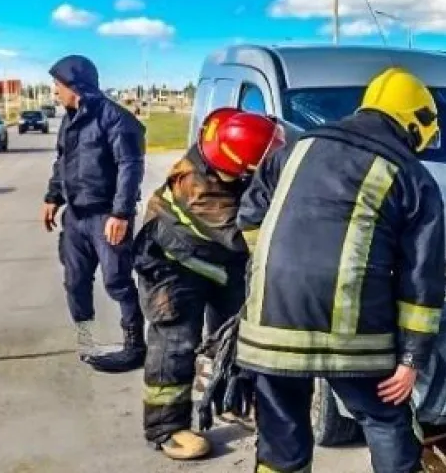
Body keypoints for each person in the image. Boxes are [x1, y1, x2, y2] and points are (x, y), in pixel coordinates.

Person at [235, 66, 446, 473]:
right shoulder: (412, 176)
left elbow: (250, 216)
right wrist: (411, 359)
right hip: (353, 335)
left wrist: (272, 273)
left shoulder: (296, 149)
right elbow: (420, 280)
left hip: (270, 324)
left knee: (281, 440)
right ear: (415, 122)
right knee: (387, 420)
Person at [134, 108, 285, 460]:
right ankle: (166, 428)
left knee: (236, 332)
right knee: (175, 341)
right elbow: (246, 237)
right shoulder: (199, 189)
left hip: (215, 260)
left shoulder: (223, 140)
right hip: (171, 265)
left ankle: (230, 400)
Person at [41, 54, 147, 373]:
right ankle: (86, 342)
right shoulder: (69, 120)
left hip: (107, 217)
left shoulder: (115, 119)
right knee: (75, 282)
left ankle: (135, 345)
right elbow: (62, 162)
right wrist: (53, 197)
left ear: (74, 85)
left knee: (117, 281)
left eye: (58, 85)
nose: (55, 91)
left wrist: (121, 213)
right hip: (75, 217)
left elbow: (130, 166)